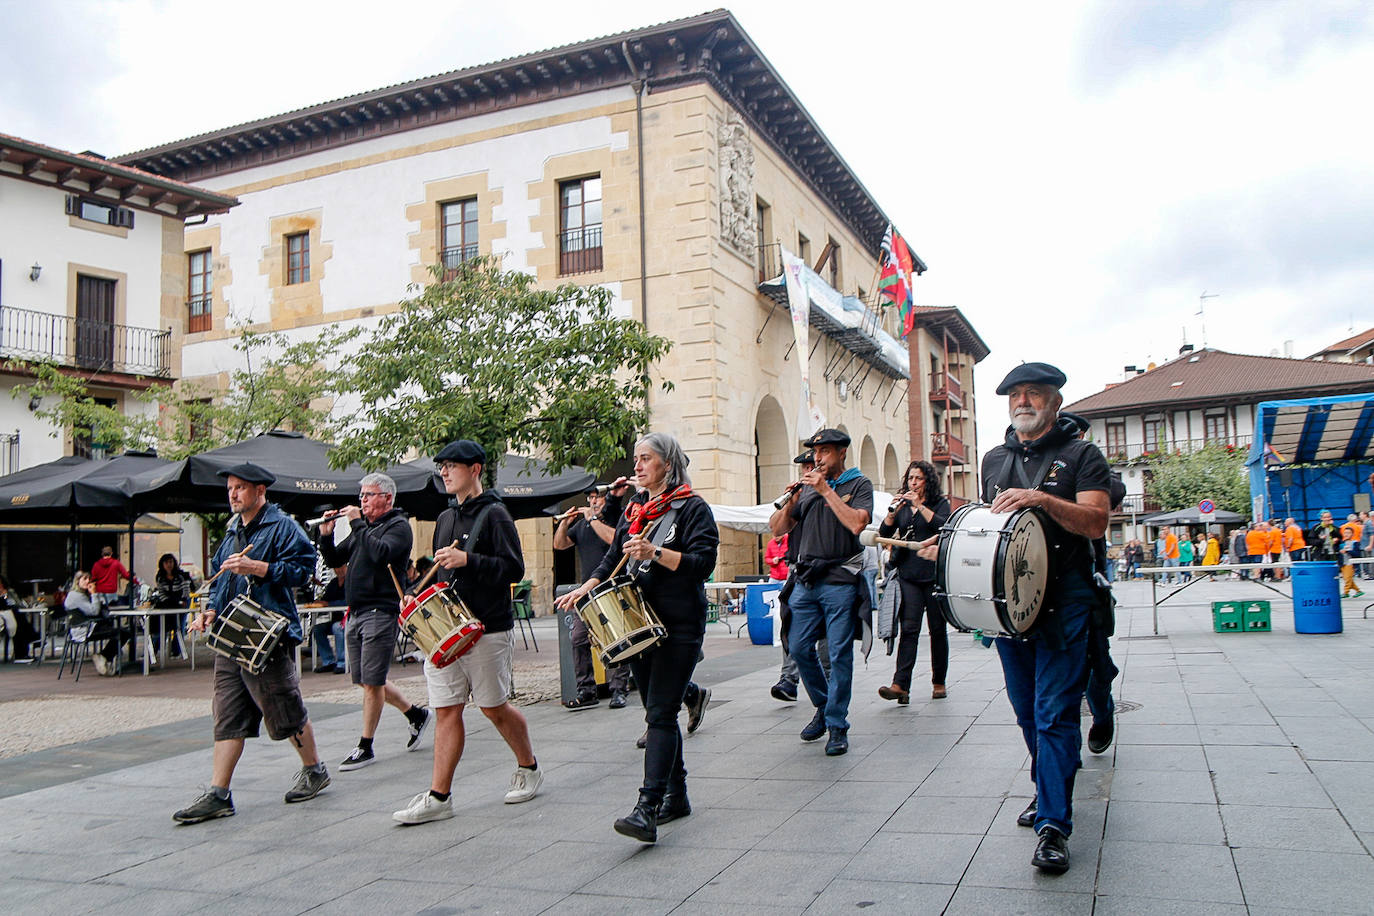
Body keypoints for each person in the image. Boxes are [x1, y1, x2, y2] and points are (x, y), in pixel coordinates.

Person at [920, 362, 1110, 875]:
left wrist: (1043, 499)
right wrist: (947, 546)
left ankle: (1053, 824)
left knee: (1053, 712)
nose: (1023, 401)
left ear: (1055, 401)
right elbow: (990, 529)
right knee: (1027, 711)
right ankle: (1050, 785)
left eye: (1034, 393)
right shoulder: (993, 459)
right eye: (1015, 395)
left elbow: (1095, 520)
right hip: (1011, 602)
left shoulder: (1082, 455)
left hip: (1066, 598)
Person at [556, 432, 719, 843]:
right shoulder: (637, 511)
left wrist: (656, 553)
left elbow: (704, 563)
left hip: (679, 622)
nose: (638, 465)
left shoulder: (692, 508)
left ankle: (647, 806)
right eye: (636, 458)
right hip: (638, 622)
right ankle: (677, 795)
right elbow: (614, 558)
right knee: (657, 710)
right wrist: (586, 587)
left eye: (646, 458)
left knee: (660, 713)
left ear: (668, 463)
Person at [393, 440, 541, 825]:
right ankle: (439, 797)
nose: (444, 472)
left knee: (493, 707)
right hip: (447, 630)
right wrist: (416, 598)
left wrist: (468, 560)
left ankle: (529, 766)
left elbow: (514, 569)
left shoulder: (495, 515)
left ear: (475, 469)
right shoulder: (444, 518)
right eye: (441, 466)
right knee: (446, 710)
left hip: (488, 627)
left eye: (452, 466)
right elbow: (443, 574)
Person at [173, 463, 328, 824]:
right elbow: (220, 582)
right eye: (230, 488)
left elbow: (304, 571)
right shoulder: (231, 532)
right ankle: (218, 793)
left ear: (260, 491)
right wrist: (210, 611)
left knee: (285, 710)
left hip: (267, 634)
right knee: (227, 716)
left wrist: (258, 568)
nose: (233, 493)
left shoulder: (283, 526)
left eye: (241, 487)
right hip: (231, 636)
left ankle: (315, 769)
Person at [769, 428, 873, 758]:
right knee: (798, 647)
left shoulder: (858, 485)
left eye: (825, 451)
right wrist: (790, 505)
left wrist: (825, 489)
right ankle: (825, 706)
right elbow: (777, 530)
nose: (818, 458)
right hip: (806, 580)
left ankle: (837, 725)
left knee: (839, 653)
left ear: (842, 452)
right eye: (816, 452)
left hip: (840, 579)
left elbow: (857, 524)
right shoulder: (809, 488)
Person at [319, 473, 432, 770]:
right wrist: (326, 535)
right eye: (361, 496)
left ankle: (365, 746)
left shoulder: (398, 527)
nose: (362, 501)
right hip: (355, 612)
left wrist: (357, 523)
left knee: (372, 682)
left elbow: (381, 553)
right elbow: (334, 560)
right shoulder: (363, 529)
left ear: (387, 498)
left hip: (380, 612)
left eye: (369, 495)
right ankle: (415, 714)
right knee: (367, 680)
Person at [876, 459, 950, 705]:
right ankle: (900, 685)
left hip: (934, 574)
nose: (913, 483)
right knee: (909, 629)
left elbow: (945, 528)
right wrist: (892, 514)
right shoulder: (903, 507)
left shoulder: (940, 503)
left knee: (938, 630)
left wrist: (920, 506)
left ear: (928, 480)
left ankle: (939, 681)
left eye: (918, 478)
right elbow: (883, 534)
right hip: (909, 573)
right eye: (910, 479)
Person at [554, 482, 632, 710]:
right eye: (590, 499)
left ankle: (619, 689)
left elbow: (612, 540)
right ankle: (586, 689)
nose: (593, 502)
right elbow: (559, 545)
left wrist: (592, 519)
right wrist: (565, 524)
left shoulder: (615, 517)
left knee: (616, 638)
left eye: (597, 498)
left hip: (613, 586)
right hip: (587, 591)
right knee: (578, 638)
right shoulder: (582, 526)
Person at [770, 450, 832, 702]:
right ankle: (789, 679)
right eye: (804, 467)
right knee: (792, 627)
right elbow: (775, 529)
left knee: (827, 631)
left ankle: (827, 679)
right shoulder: (797, 497)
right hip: (798, 573)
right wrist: (791, 503)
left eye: (812, 466)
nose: (808, 471)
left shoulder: (832, 494)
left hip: (827, 573)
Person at [63, 571, 128, 676]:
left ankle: (105, 657)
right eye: (84, 579)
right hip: (85, 630)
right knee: (123, 632)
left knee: (115, 629)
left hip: (81, 628)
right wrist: (94, 594)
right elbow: (94, 611)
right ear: (77, 581)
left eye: (89, 579)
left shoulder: (78, 594)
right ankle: (104, 656)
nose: (88, 581)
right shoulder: (77, 596)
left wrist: (95, 595)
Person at [150, 553, 193, 658]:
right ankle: (154, 649)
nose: (169, 565)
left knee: (179, 625)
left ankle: (177, 650)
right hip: (168, 603)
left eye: (171, 562)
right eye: (166, 562)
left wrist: (181, 601)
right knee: (161, 623)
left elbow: (186, 590)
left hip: (181, 601)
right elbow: (161, 593)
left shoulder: (181, 575)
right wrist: (167, 602)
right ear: (162, 564)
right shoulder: (160, 577)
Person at [310, 566, 347, 673]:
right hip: (335, 618)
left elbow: (349, 601)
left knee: (337, 628)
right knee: (317, 629)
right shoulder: (333, 583)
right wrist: (319, 602)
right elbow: (326, 599)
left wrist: (329, 604)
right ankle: (328, 661)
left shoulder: (352, 581)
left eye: (341, 567)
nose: (339, 570)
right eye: (337, 567)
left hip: (349, 619)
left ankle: (342, 662)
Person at [0, 574, 41, 661]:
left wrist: (6, 595)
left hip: (15, 613)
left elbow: (18, 603)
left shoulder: (10, 592)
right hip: (5, 615)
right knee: (21, 622)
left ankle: (23, 652)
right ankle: (35, 637)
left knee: (21, 622)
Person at [1339, 514, 1365, 598]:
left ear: (1352, 534)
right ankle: (1358, 591)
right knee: (1348, 579)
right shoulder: (1342, 543)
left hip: (1351, 563)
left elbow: (1357, 554)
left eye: (1348, 533)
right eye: (1345, 533)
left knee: (1347, 578)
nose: (1346, 534)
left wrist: (1348, 551)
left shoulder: (1355, 543)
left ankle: (1346, 592)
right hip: (1343, 563)